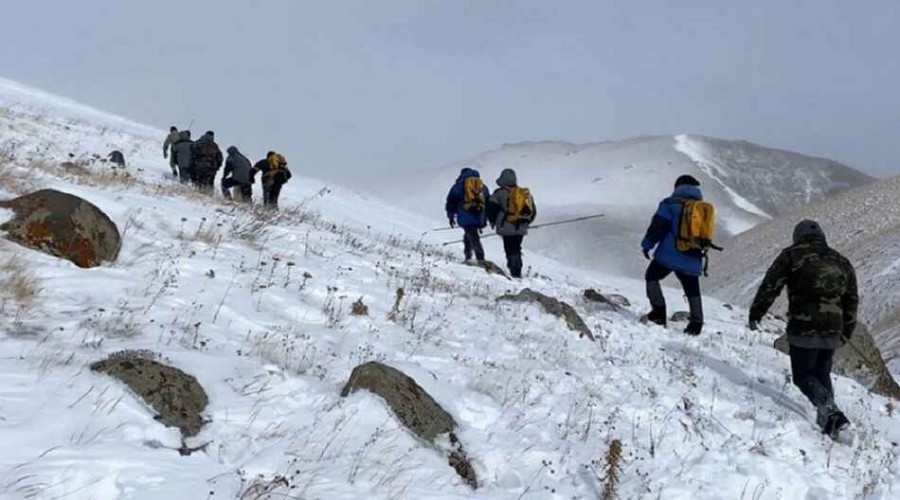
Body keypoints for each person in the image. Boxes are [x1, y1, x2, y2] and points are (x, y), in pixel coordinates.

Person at [748, 220, 857, 437]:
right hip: (833, 327)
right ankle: (829, 424)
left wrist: (756, 313)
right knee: (821, 372)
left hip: (804, 324)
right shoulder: (841, 260)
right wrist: (847, 330)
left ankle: (833, 414)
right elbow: (851, 298)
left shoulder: (791, 255)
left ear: (797, 236)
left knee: (803, 375)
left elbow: (771, 286)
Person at [640, 175, 705, 336]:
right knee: (692, 290)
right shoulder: (702, 209)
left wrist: (647, 245)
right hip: (693, 256)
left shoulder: (669, 205)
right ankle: (696, 324)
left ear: (678, 187)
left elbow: (657, 228)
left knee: (652, 277)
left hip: (669, 256)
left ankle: (658, 313)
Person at [486, 168, 535, 278]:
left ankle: (515, 272)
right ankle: (517, 270)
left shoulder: (499, 193)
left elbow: (491, 209)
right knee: (516, 248)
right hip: (521, 227)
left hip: (506, 227)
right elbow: (533, 211)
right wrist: (525, 222)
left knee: (510, 250)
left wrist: (493, 221)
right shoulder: (524, 193)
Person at [445, 168, 491, 262]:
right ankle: (468, 256)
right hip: (479, 215)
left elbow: (451, 201)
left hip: (466, 214)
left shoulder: (459, 185)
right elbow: (488, 202)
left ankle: (480, 257)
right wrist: (487, 217)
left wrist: (451, 216)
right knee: (469, 234)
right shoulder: (482, 186)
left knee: (473, 235)